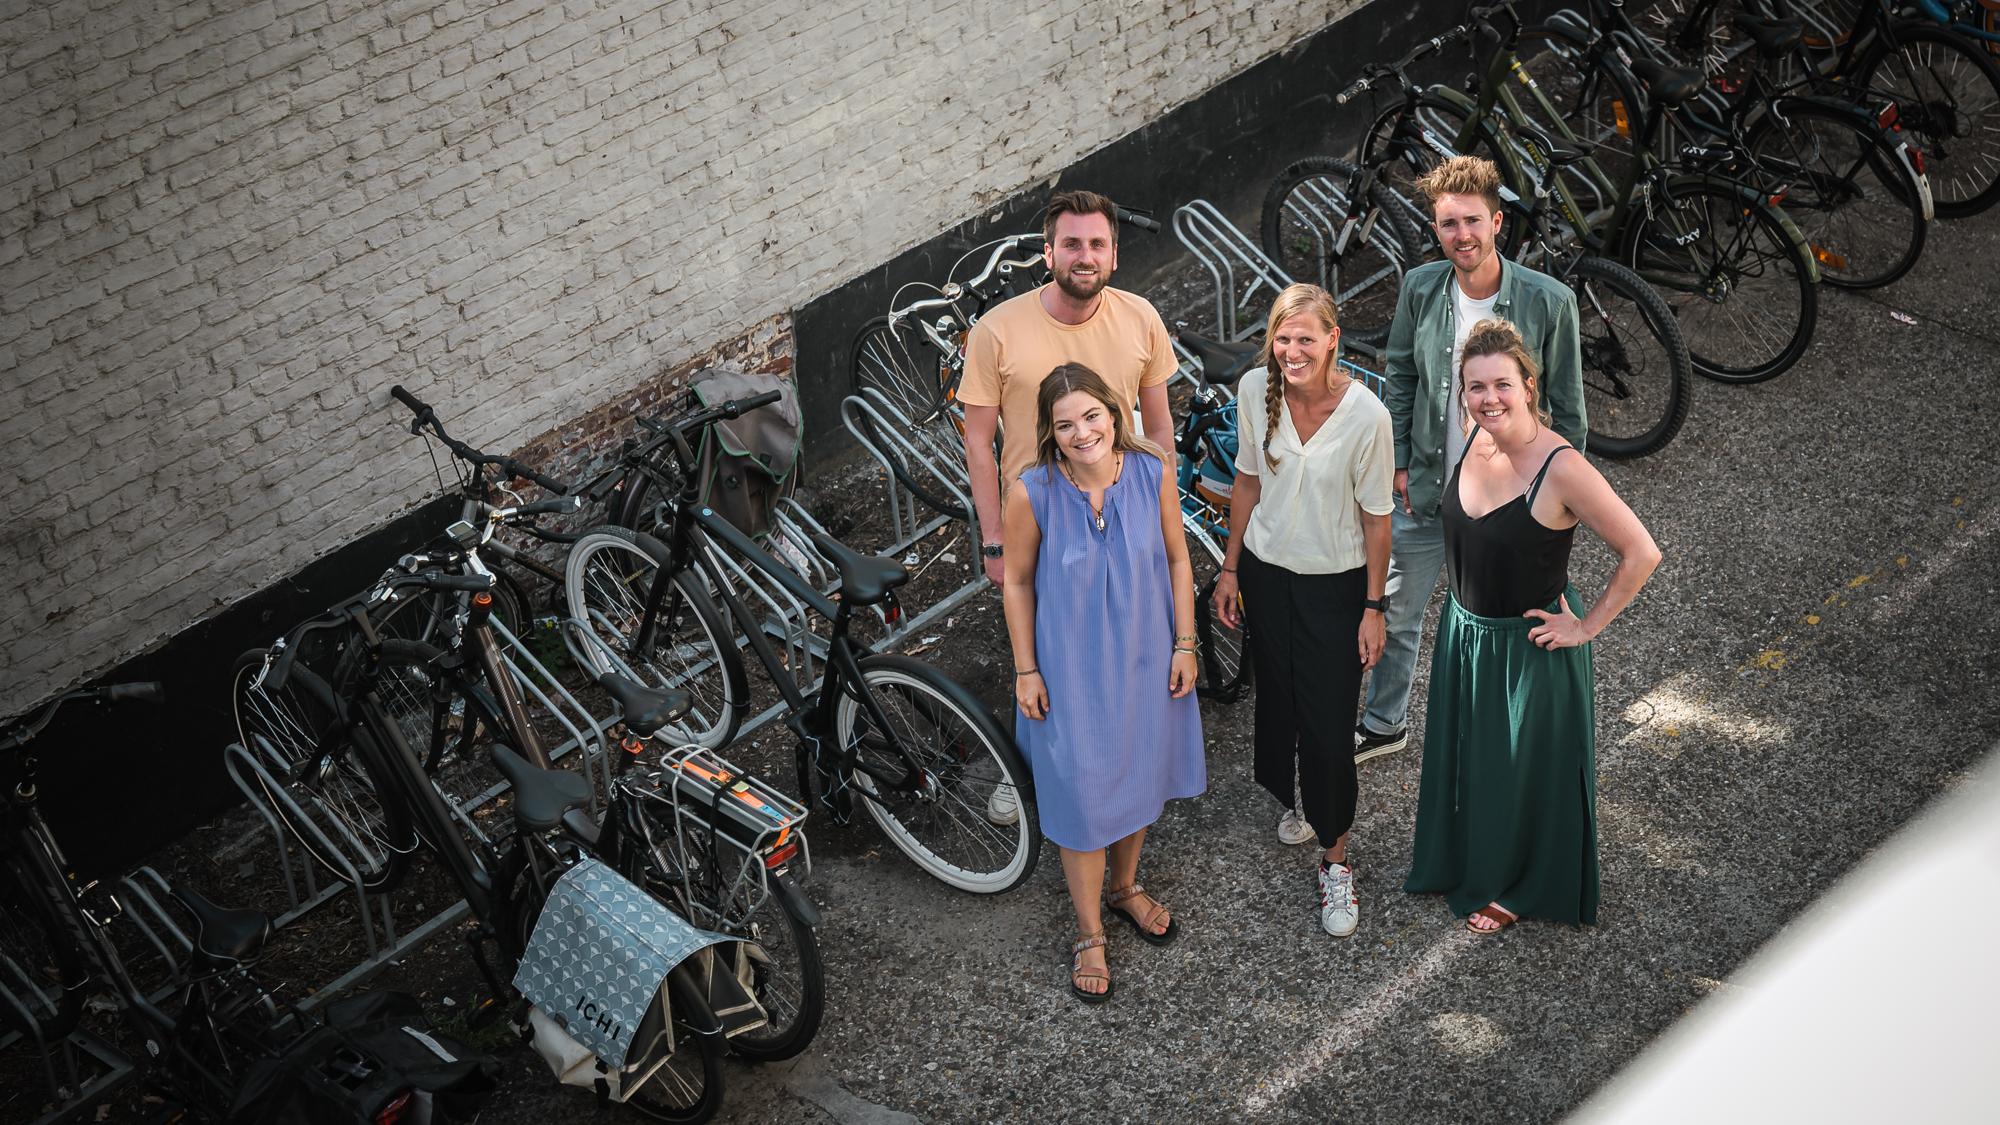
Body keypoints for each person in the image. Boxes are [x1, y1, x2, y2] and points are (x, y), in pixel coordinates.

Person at [1404, 319, 1659, 932]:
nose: (1488, 398)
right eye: (1475, 387)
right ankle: (1471, 857)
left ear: (1529, 386)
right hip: (1466, 636)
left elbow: (1642, 553)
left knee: (1524, 774)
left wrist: (1586, 627)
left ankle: (1522, 885)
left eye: (1502, 385)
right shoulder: (1475, 434)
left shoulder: (1561, 468)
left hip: (1529, 650)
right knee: (1478, 765)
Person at [1356, 155, 1586, 766]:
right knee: (1398, 609)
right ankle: (1384, 722)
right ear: (1436, 229)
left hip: (1508, 501)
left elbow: (1569, 413)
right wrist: (1399, 459)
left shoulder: (1551, 301)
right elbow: (1400, 374)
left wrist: (1558, 511)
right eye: (1448, 224)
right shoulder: (1420, 288)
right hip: (1428, 487)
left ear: (1498, 223)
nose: (1462, 235)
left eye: (1473, 221)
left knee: (1508, 620)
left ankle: (1509, 735)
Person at [1002, 363, 1205, 1003]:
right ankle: (1089, 931)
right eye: (1065, 424)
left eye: (1091, 416)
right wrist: (1026, 669)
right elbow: (1017, 582)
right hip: (1069, 673)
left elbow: (1178, 559)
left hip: (1146, 658)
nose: (1081, 432)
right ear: (1050, 432)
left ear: (1114, 415)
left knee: (1139, 775)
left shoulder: (1152, 471)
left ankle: (1124, 887)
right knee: (1083, 800)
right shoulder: (1032, 493)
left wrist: (1186, 643)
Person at [1211, 284, 1393, 939]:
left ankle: (1336, 860)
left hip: (1336, 586)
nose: (1293, 351)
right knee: (1280, 699)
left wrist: (1373, 606)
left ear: (1333, 339)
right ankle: (1298, 801)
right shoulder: (1254, 389)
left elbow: (1378, 519)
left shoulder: (1367, 416)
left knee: (1329, 722)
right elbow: (1247, 483)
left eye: (1306, 339)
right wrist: (1230, 568)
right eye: (1283, 338)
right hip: (1266, 575)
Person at [961, 189, 1180, 592]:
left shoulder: (1141, 318)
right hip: (1039, 521)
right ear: (1049, 255)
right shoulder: (995, 332)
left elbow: (1159, 427)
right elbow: (977, 443)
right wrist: (994, 542)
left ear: (1114, 255)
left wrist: (1166, 512)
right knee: (1054, 631)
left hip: (1124, 509)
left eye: (1097, 244)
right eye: (1071, 244)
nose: (1085, 257)